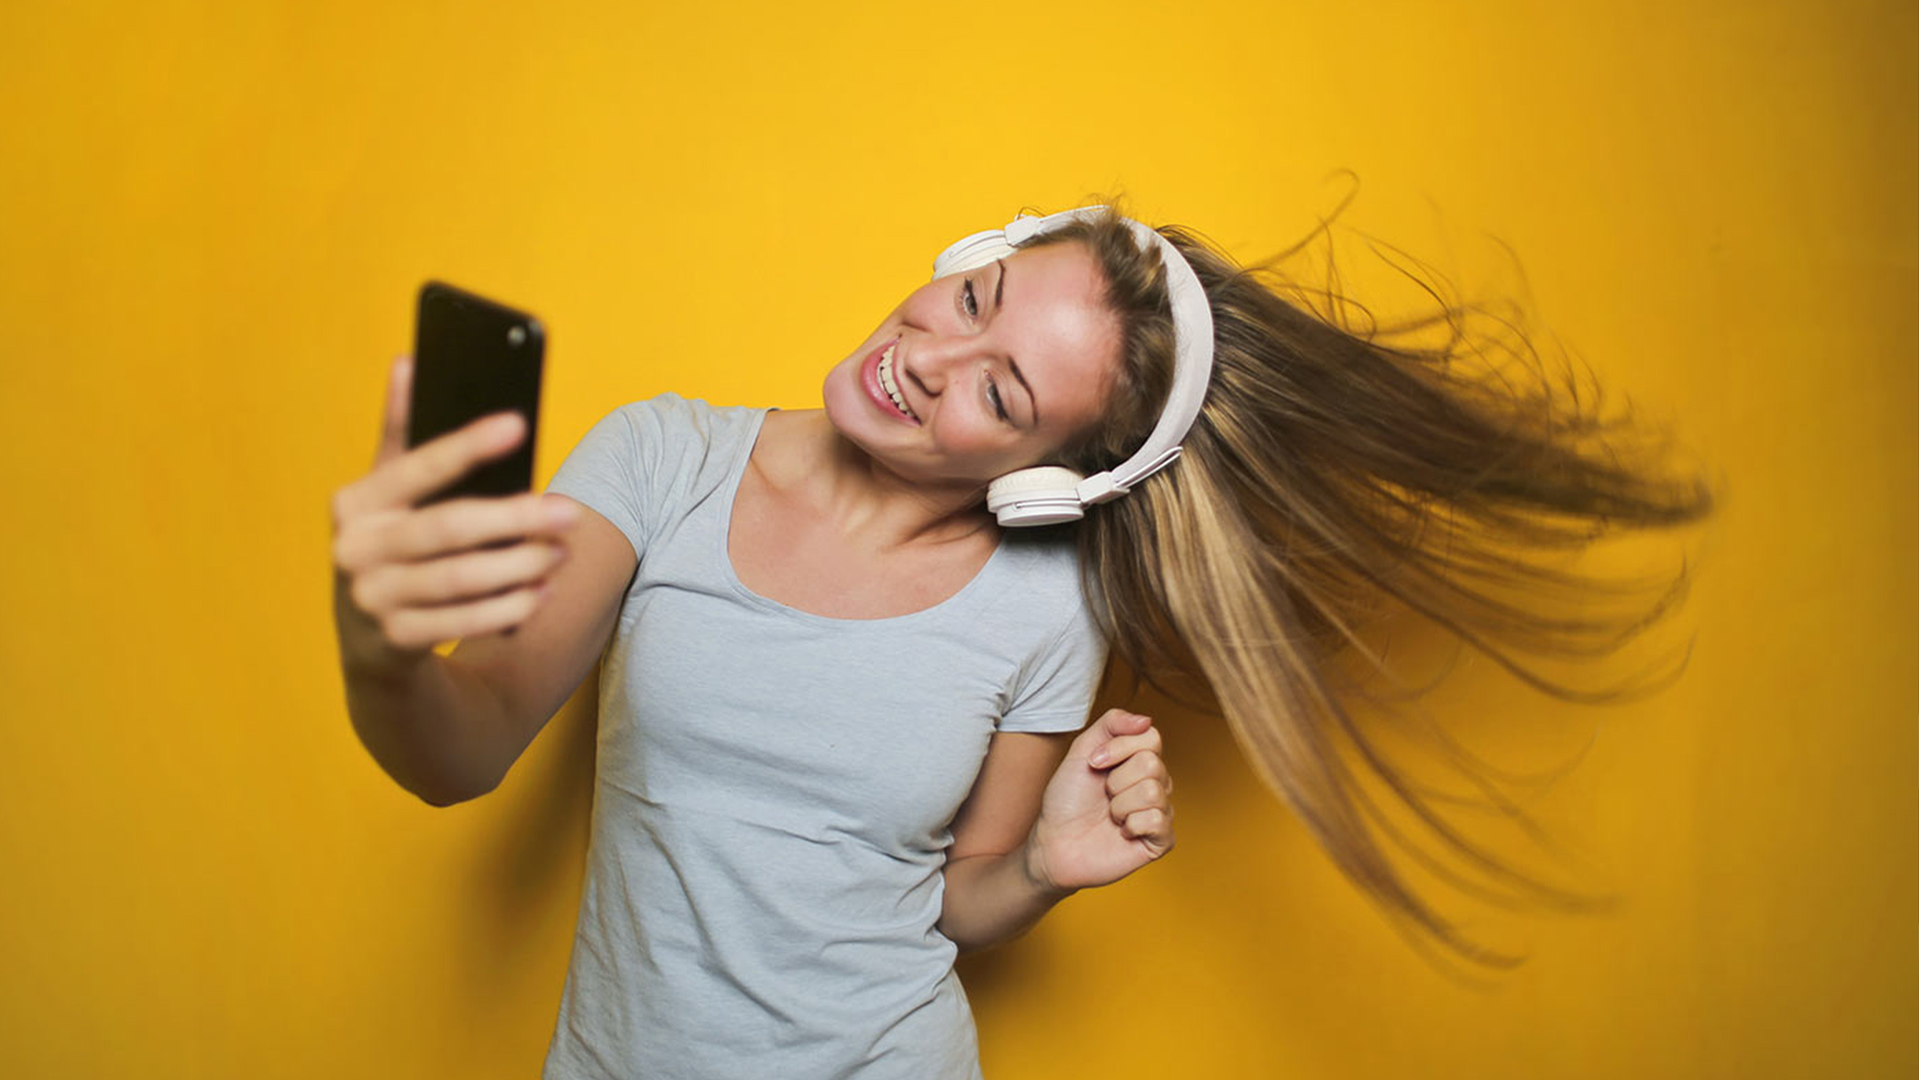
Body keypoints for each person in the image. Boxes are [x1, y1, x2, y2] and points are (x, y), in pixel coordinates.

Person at [330, 202, 1714, 1078]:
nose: (931, 354)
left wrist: (1044, 869)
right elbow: (464, 752)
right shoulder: (662, 455)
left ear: (1050, 477)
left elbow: (952, 898)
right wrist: (383, 644)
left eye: (1001, 390)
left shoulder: (1048, 603)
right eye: (978, 297)